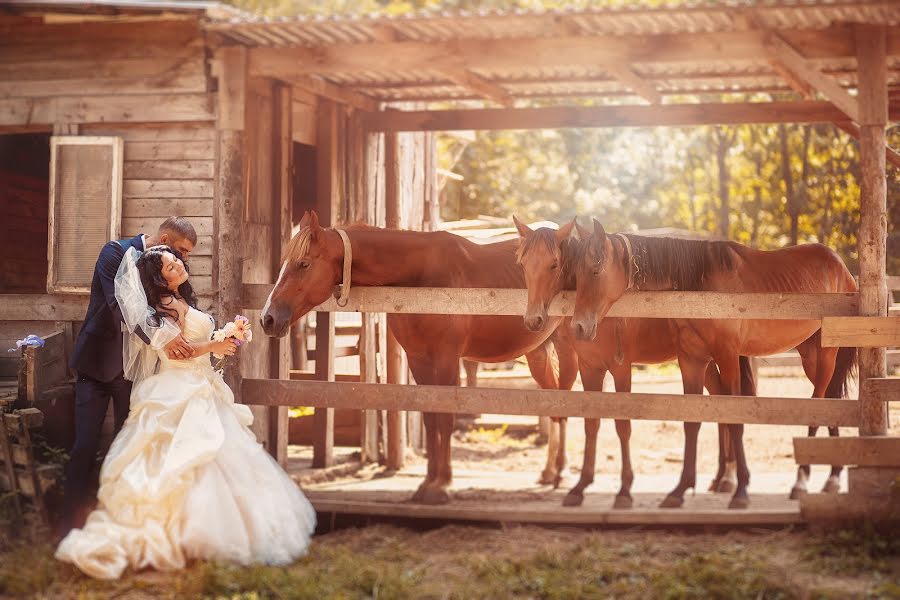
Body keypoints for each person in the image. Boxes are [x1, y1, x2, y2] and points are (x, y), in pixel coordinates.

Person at [56, 246, 316, 579]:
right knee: (184, 457)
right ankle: (181, 534)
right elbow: (175, 352)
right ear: (158, 279)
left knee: (220, 456)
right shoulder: (162, 308)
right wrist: (215, 344)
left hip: (201, 385)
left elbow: (199, 351)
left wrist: (223, 342)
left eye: (177, 261)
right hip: (175, 389)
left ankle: (219, 529)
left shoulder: (182, 302)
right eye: (169, 265)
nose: (178, 265)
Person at [60, 217, 198, 537]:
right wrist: (163, 337)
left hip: (133, 372)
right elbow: (118, 306)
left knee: (127, 447)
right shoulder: (113, 253)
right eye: (181, 250)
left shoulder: (166, 268)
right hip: (96, 367)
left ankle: (117, 520)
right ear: (164, 237)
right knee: (84, 445)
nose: (183, 259)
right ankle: (69, 523)